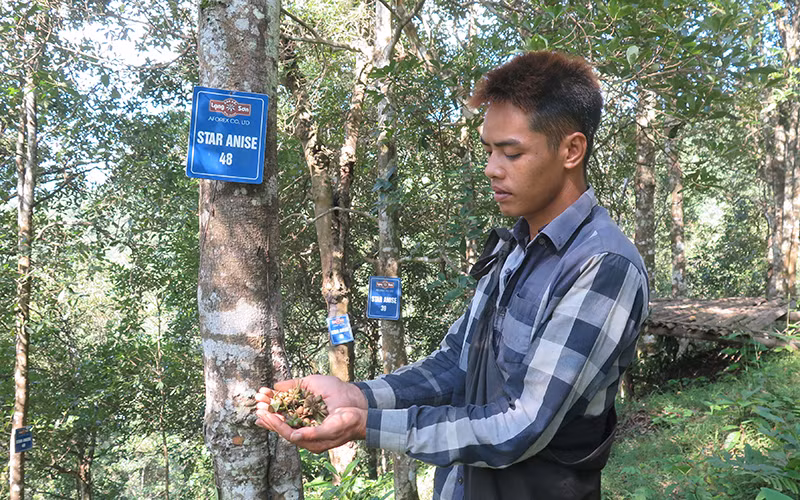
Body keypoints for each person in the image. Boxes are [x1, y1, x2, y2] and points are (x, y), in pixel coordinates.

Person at [255, 50, 650, 500]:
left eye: (511, 152)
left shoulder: (602, 266)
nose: (491, 168)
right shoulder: (515, 247)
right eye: (488, 150)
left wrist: (367, 425)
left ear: (571, 150)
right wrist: (357, 396)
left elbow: (524, 425)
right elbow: (455, 364)